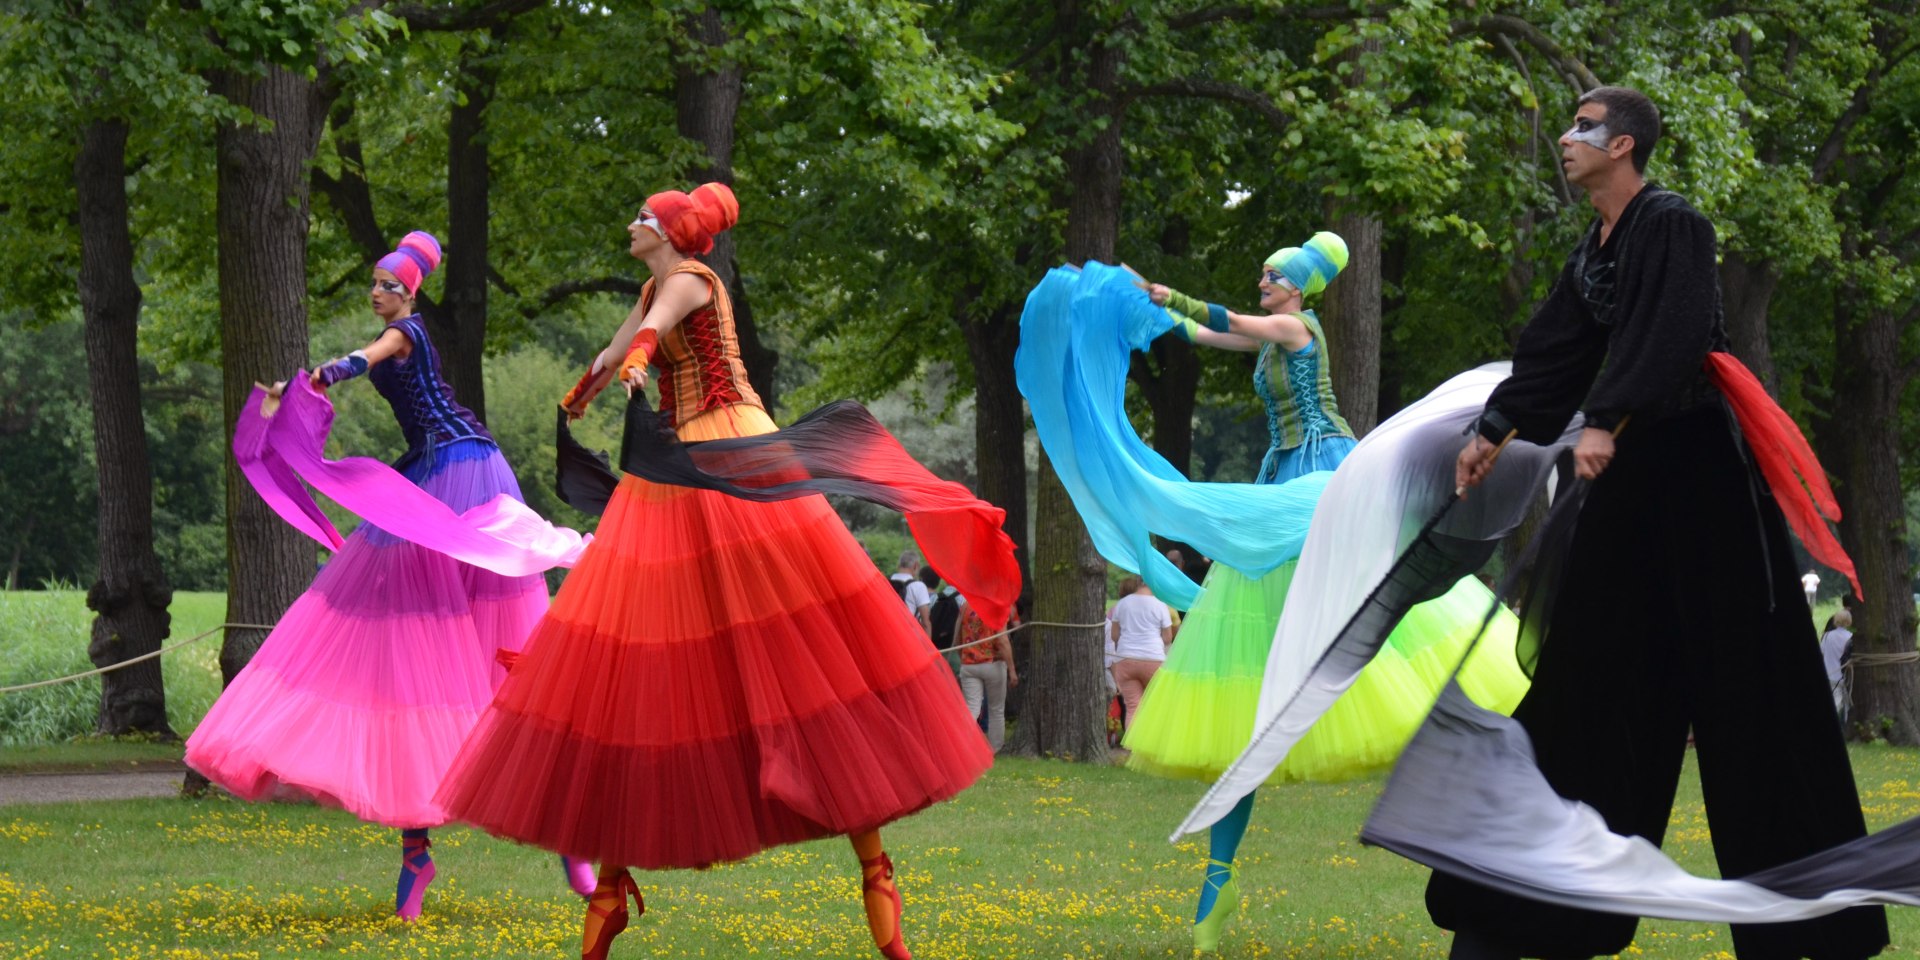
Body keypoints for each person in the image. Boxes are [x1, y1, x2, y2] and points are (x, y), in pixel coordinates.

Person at [434, 184, 1012, 960]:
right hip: (676, 468)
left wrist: (637, 359)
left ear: (671, 230)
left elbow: (656, 328)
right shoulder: (650, 284)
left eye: (642, 217)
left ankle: (873, 875)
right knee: (641, 660)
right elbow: (622, 343)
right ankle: (615, 894)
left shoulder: (691, 279)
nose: (631, 224)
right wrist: (587, 385)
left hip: (728, 453)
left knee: (796, 646)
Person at [1438, 86, 1886, 960]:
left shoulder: (1673, 225)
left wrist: (1608, 414)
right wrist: (1495, 428)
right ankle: (1529, 917)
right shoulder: (1594, 249)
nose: (1568, 139)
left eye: (1583, 126)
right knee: (1589, 689)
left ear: (1626, 143)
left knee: (1754, 705)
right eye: (1570, 125)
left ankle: (1809, 932)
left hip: (1701, 485)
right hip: (1632, 481)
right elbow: (1556, 345)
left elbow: (1676, 332)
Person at [185, 231, 593, 920]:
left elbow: (369, 356)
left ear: (411, 293)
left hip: (466, 469)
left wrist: (327, 374)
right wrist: (296, 392)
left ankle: (564, 833)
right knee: (406, 653)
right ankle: (416, 849)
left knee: (494, 653)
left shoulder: (406, 333)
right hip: (426, 474)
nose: (377, 294)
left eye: (388, 286)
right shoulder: (399, 328)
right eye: (374, 284)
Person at [1107, 576, 1173, 728]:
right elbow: (1168, 638)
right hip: (1153, 659)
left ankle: (1132, 748)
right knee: (1155, 705)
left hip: (1126, 659)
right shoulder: (1160, 605)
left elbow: (1114, 635)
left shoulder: (1122, 604)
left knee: (1133, 706)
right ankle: (1152, 746)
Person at [955, 604, 1019, 750]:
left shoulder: (966, 606)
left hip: (969, 664)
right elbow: (1002, 641)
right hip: (993, 664)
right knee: (996, 709)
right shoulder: (997, 607)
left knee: (972, 708)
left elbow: (958, 635)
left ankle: (963, 748)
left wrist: (963, 657)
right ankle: (995, 748)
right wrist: (1012, 670)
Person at [1821, 608, 1855, 718]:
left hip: (1828, 675)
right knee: (1844, 707)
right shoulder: (1849, 637)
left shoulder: (1827, 636)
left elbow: (1822, 652)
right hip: (1842, 677)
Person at [892, 550, 934, 636]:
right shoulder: (918, 586)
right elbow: (925, 622)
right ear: (915, 565)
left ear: (899, 565)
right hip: (909, 636)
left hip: (890, 633)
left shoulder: (887, 582)